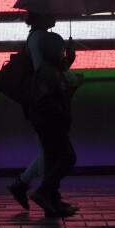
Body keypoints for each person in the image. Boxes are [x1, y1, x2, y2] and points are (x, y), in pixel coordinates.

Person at [7, 12, 81, 215]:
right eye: (51, 13)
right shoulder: (40, 38)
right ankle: (48, 196)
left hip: (39, 102)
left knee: (46, 150)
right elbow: (44, 70)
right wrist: (66, 69)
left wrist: (67, 61)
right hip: (42, 103)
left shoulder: (37, 38)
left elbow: (47, 70)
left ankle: (25, 185)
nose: (55, 16)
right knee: (51, 153)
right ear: (41, 16)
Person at [22, 31, 80, 218]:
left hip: (51, 123)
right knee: (67, 157)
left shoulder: (50, 70)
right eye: (61, 50)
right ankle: (44, 192)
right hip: (52, 124)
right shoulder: (48, 73)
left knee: (55, 160)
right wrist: (62, 113)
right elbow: (47, 100)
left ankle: (52, 200)